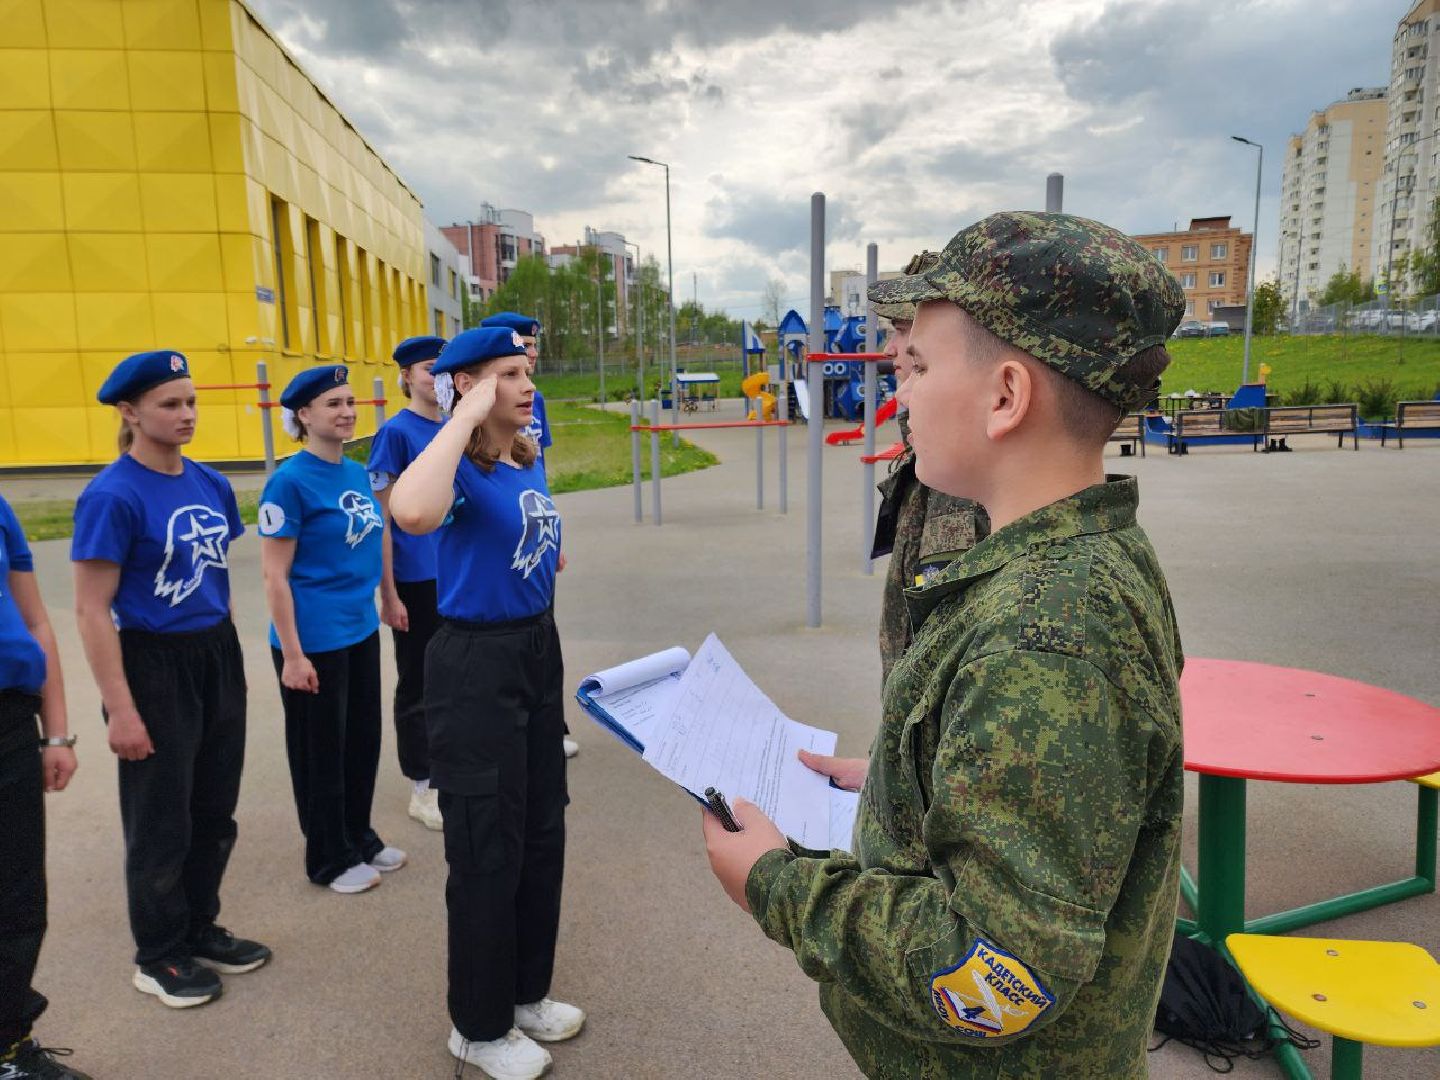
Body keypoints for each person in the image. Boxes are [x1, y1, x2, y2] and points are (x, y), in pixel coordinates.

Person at [703, 212, 1187, 1079]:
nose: (901, 391)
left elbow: (998, 976)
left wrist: (773, 882)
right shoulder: (1075, 563)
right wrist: (904, 779)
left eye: (918, 366)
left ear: (1006, 396)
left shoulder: (1048, 636)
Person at [391, 327, 583, 1080]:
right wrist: (461, 418)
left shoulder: (520, 457)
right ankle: (477, 1025)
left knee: (542, 829)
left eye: (525, 368)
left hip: (535, 650)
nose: (526, 381)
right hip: (475, 664)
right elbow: (409, 513)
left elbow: (533, 543)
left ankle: (525, 992)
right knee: (483, 845)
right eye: (507, 373)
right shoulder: (457, 465)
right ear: (468, 386)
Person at [72, 350, 269, 1009]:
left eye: (191, 401)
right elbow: (91, 609)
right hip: (152, 663)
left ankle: (199, 927)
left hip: (214, 653)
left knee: (214, 809)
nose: (187, 415)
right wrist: (121, 709)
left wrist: (227, 657)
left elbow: (216, 579)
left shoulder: (210, 483)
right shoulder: (112, 494)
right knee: (162, 820)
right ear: (130, 413)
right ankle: (158, 955)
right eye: (170, 404)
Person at [259, 365, 404, 895]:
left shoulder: (357, 472)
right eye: (332, 405)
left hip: (359, 626)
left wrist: (388, 596)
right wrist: (293, 656)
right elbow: (274, 575)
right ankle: (327, 856)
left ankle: (358, 836)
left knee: (362, 739)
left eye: (349, 402)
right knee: (320, 749)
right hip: (312, 638)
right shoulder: (289, 483)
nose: (346, 412)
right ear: (303, 415)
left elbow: (379, 536)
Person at [1, 494, 89, 1078]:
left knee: (17, 893)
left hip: (9, 718)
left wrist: (55, 733)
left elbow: (34, 620)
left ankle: (8, 1044)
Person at [480, 312, 578, 760]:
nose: (532, 357)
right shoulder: (464, 442)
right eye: (521, 348)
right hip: (488, 615)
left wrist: (552, 530)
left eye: (532, 351)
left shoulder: (531, 403)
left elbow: (539, 474)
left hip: (533, 527)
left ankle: (549, 724)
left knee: (545, 632)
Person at [367, 335, 447, 831]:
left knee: (455, 678)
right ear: (406, 377)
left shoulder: (459, 426)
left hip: (457, 575)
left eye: (441, 370)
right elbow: (383, 519)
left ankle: (451, 766)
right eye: (425, 369)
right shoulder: (396, 434)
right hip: (416, 579)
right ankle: (422, 785)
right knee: (417, 681)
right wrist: (389, 591)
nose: (433, 379)